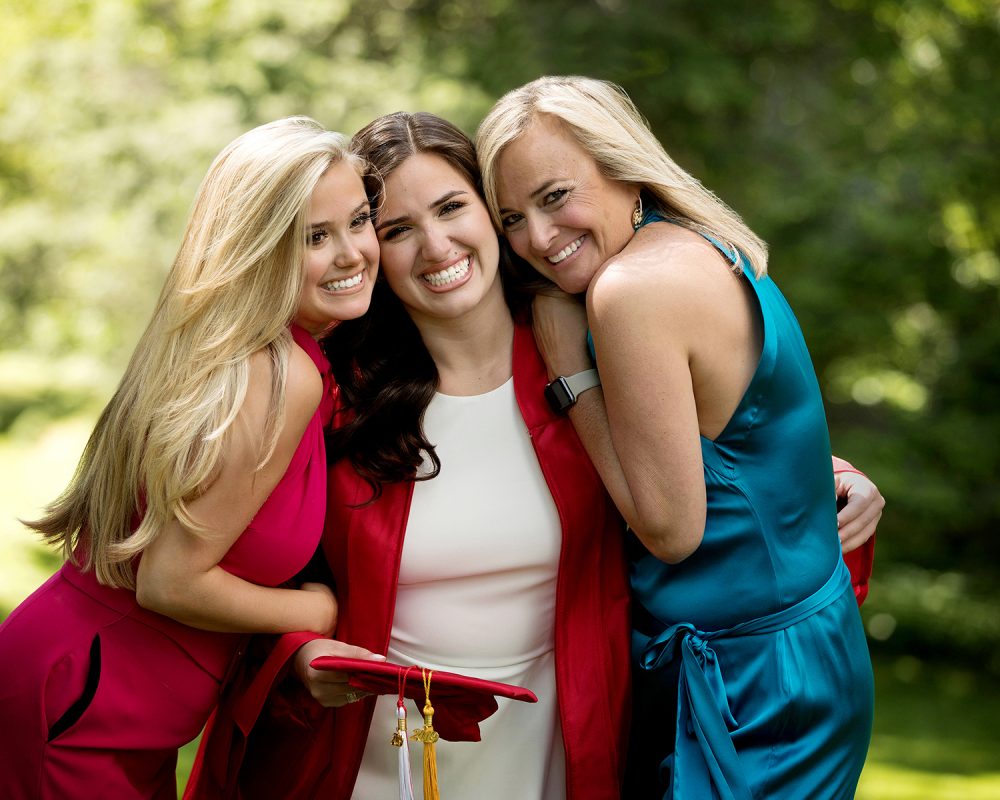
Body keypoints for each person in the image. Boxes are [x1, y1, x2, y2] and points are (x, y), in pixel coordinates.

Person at [187, 111, 882, 800]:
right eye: (397, 230)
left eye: (453, 207)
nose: (435, 246)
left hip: (555, 759)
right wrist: (300, 654)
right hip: (370, 764)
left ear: (493, 217)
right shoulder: (334, 398)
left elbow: (720, 455)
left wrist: (832, 477)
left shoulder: (583, 371)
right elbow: (250, 571)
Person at [477, 76, 877, 798]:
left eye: (555, 196)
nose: (538, 238)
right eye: (511, 218)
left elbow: (670, 528)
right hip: (800, 654)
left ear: (624, 170)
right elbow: (752, 443)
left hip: (754, 690)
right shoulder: (700, 244)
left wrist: (569, 372)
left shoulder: (631, 290)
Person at [0, 116, 381, 799]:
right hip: (84, 704)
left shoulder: (262, 352)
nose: (353, 252)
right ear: (259, 249)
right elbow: (170, 582)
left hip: (112, 703)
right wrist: (313, 614)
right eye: (315, 237)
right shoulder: (274, 371)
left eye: (358, 221)